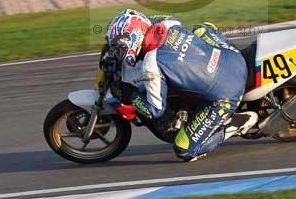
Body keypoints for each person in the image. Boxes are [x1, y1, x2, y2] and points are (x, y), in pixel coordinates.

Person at [106, 9, 258, 162]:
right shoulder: (168, 23)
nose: (118, 50)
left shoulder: (151, 66)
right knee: (202, 28)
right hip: (231, 55)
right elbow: (148, 20)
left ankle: (233, 125)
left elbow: (155, 110)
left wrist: (129, 94)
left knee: (184, 149)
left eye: (119, 45)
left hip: (227, 94)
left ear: (132, 38)